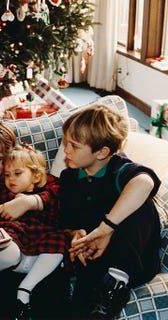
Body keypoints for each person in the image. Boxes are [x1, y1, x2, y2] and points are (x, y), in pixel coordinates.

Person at [59, 104, 161, 319]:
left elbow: (144, 182)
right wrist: (75, 234)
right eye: (65, 142)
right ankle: (104, 290)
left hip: (134, 262)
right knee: (78, 308)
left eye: (73, 145)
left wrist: (106, 228)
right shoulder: (69, 179)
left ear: (102, 152)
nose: (65, 150)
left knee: (139, 199)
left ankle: (116, 281)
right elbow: (66, 222)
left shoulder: (119, 169)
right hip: (94, 259)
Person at [0, 122, 70, 319]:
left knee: (54, 283)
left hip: (39, 250)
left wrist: (32, 201)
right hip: (3, 253)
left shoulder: (30, 177)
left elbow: (57, 189)